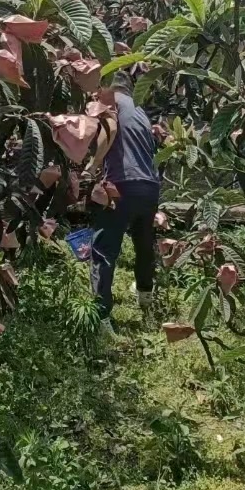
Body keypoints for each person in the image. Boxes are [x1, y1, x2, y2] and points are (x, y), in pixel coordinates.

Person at [88, 70, 161, 327]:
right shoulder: (140, 110)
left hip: (122, 184)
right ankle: (146, 301)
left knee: (104, 249)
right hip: (150, 187)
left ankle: (101, 315)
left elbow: (110, 129)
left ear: (108, 87)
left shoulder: (112, 103)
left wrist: (93, 164)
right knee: (144, 246)